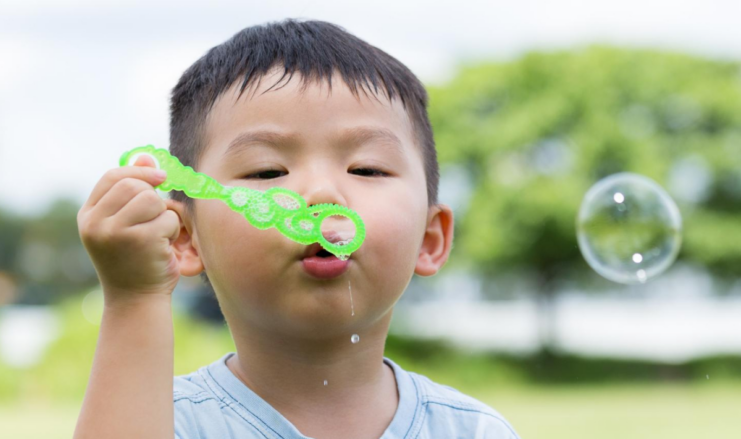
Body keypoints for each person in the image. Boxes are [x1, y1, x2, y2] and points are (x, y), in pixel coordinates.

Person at [73, 18, 521, 439]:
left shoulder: (473, 431)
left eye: (366, 169)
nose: (323, 193)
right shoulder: (157, 420)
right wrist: (135, 297)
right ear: (186, 239)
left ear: (430, 239)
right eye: (268, 172)